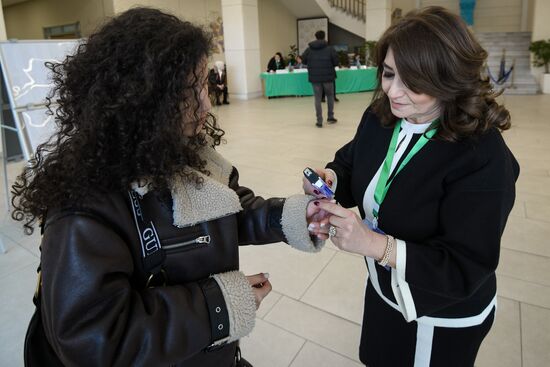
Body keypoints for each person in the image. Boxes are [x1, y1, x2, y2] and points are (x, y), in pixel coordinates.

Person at [12, 8, 326, 367]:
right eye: (191, 92)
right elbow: (94, 339)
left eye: (204, 85)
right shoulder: (83, 208)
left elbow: (228, 208)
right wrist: (218, 306)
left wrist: (291, 217)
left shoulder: (178, 151)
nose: (206, 105)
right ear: (144, 99)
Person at [304, 7, 519, 367]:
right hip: (384, 290)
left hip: (441, 312)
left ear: (448, 79)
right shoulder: (381, 116)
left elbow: (464, 267)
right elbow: (352, 163)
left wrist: (373, 244)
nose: (394, 91)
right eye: (389, 74)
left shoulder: (480, 154)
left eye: (413, 82)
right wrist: (331, 180)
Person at [301, 30, 338, 127]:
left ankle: (319, 121)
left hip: (315, 78)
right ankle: (330, 117)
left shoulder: (309, 49)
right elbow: (336, 62)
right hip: (328, 77)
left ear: (316, 37)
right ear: (324, 36)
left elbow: (303, 60)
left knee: (317, 98)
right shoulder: (330, 49)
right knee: (330, 96)